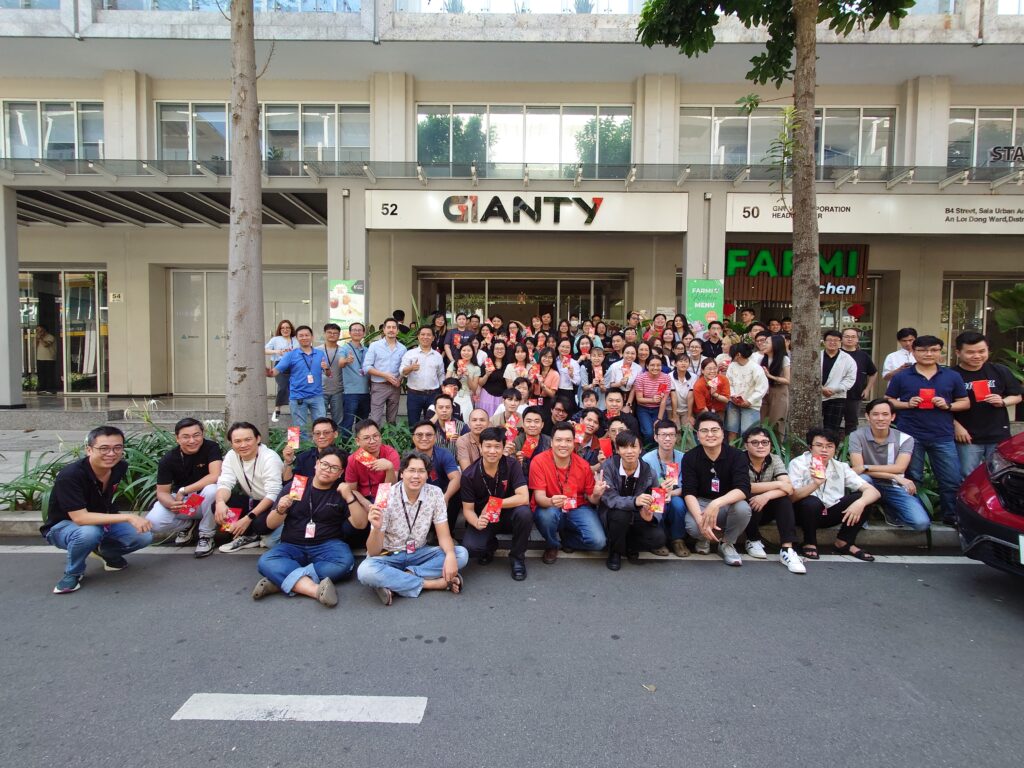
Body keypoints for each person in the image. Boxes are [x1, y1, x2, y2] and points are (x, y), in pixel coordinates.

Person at [42, 426, 153, 594]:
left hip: (100, 521)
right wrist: (128, 517)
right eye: (104, 448)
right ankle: (73, 573)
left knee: (144, 535)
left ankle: (105, 552)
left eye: (118, 448)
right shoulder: (70, 475)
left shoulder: (119, 467)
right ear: (88, 450)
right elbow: (80, 518)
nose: (111, 453)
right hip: (63, 526)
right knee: (88, 533)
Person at [357, 451, 469, 605]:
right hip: (388, 555)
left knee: (460, 554)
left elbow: (443, 535)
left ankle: (397, 581)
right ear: (402, 473)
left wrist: (450, 555)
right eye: (411, 470)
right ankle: (433, 584)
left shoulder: (435, 493)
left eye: (421, 471)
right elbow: (374, 551)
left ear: (427, 475)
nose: (416, 476)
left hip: (419, 553)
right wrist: (376, 528)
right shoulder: (385, 495)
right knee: (365, 571)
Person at [251, 448, 358, 608]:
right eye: (324, 464)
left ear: (340, 472)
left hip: (327, 545)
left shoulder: (340, 491)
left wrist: (349, 497)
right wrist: (280, 509)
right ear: (316, 464)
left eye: (334, 468)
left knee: (345, 563)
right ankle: (314, 590)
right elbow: (271, 524)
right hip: (292, 545)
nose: (327, 470)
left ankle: (280, 581)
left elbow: (360, 524)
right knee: (265, 561)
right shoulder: (297, 485)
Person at [885, 335, 969, 526]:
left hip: (943, 435)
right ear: (913, 352)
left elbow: (964, 403)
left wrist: (947, 405)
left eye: (934, 350)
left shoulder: (951, 376)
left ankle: (951, 515)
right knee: (913, 477)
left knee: (951, 478)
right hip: (910, 435)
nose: (928, 354)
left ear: (940, 352)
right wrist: (907, 403)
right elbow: (888, 400)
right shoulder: (902, 376)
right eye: (922, 350)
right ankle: (913, 515)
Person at [789, 427, 881, 561]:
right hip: (804, 514)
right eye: (819, 445)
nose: (824, 450)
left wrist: (860, 503)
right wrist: (815, 484)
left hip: (830, 513)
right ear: (810, 447)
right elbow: (792, 497)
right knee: (811, 502)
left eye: (829, 446)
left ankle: (844, 542)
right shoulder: (798, 463)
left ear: (835, 449)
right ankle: (809, 542)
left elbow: (874, 492)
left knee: (863, 498)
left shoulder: (841, 466)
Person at [530, 421, 609, 564]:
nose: (563, 445)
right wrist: (551, 501)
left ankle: (568, 540)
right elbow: (539, 497)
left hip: (578, 507)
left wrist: (597, 494)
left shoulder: (583, 465)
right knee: (547, 515)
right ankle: (552, 544)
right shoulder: (539, 461)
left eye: (568, 440)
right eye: (559, 440)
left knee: (599, 542)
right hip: (550, 507)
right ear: (551, 443)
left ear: (574, 442)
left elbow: (592, 500)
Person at [460, 427, 533, 580]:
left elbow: (524, 497)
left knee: (524, 513)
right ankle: (490, 546)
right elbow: (468, 510)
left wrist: (497, 504)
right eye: (488, 446)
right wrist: (477, 522)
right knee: (472, 547)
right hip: (484, 517)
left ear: (503, 448)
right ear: (480, 448)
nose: (492, 451)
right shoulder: (469, 475)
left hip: (508, 515)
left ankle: (517, 558)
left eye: (497, 446)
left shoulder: (512, 465)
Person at [144, 417, 223, 558]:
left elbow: (215, 475)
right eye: (186, 437)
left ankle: (206, 535)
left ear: (202, 434)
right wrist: (172, 504)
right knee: (153, 523)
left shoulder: (211, 447)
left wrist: (184, 490)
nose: (192, 441)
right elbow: (162, 492)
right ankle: (188, 524)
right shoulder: (168, 459)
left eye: (196, 435)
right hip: (185, 504)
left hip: (205, 501)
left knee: (213, 489)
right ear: (177, 438)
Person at [848, 399, 930, 531]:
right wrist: (895, 476)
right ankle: (863, 515)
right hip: (869, 484)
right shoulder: (856, 436)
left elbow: (900, 468)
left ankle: (890, 508)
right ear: (868, 417)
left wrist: (866, 467)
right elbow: (858, 469)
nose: (880, 418)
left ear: (893, 417)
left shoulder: (905, 439)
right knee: (863, 478)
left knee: (921, 524)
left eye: (885, 414)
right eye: (875, 414)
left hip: (893, 486)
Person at [681, 412, 751, 566]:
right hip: (701, 503)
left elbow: (743, 488)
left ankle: (727, 543)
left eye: (715, 430)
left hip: (726, 504)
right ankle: (703, 538)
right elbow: (689, 491)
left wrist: (716, 503)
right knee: (693, 526)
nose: (710, 435)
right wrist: (701, 522)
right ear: (698, 435)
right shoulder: (690, 457)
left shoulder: (737, 456)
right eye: (704, 431)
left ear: (722, 433)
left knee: (743, 508)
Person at [952, 331, 1023, 476]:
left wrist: (1002, 401)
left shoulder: (999, 371)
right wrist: (956, 427)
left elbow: (1017, 396)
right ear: (958, 352)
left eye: (982, 351)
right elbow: (943, 406)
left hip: (997, 434)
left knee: (999, 474)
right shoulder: (951, 375)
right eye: (970, 352)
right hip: (967, 436)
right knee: (968, 475)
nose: (977, 356)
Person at [741, 427, 805, 574]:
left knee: (783, 499)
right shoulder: (739, 459)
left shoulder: (775, 459)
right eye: (755, 442)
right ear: (746, 445)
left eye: (765, 442)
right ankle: (752, 539)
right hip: (747, 510)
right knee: (747, 497)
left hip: (766, 507)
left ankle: (787, 549)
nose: (761, 446)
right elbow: (743, 487)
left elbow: (788, 487)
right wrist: (777, 484)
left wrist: (766, 495)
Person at [600, 430, 667, 570]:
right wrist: (635, 501)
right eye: (624, 447)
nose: (629, 451)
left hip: (638, 516)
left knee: (659, 538)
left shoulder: (649, 471)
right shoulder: (609, 466)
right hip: (614, 514)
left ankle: (628, 545)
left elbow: (657, 501)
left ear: (640, 449)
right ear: (617, 450)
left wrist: (651, 516)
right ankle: (615, 552)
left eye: (634, 446)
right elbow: (609, 498)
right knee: (621, 515)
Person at [215, 422, 285, 553]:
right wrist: (220, 502)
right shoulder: (231, 455)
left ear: (258, 439)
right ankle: (246, 535)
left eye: (248, 439)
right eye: (237, 441)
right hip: (253, 501)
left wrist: (248, 518)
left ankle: (254, 531)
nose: (243, 445)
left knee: (259, 524)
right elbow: (225, 483)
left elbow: (273, 493)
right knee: (219, 506)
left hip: (273, 504)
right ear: (231, 443)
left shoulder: (270, 458)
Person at [267, 324, 329, 440]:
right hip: (297, 397)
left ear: (312, 337)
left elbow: (329, 374)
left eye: (307, 335)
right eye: (301, 336)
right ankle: (296, 453)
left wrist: (327, 369)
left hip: (317, 396)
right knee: (297, 429)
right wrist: (267, 372)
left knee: (322, 427)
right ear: (297, 338)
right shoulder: (291, 355)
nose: (304, 338)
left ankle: (320, 452)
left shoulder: (320, 353)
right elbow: (275, 371)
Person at [641, 419, 689, 557]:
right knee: (657, 503)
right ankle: (658, 539)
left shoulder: (684, 458)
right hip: (655, 496)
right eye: (663, 435)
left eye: (671, 435)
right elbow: (644, 487)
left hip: (676, 495)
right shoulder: (647, 460)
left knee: (678, 504)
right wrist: (660, 492)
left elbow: (687, 486)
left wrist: (672, 493)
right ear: (656, 437)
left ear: (676, 437)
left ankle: (677, 540)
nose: (667, 438)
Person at [342, 419, 399, 526]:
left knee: (382, 518)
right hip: (362, 498)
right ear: (357, 441)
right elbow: (352, 490)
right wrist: (365, 503)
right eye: (366, 438)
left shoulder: (390, 453)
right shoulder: (354, 459)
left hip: (385, 496)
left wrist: (389, 468)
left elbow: (391, 489)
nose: (372, 441)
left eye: (375, 436)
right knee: (349, 528)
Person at [408, 420, 462, 530]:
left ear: (435, 437)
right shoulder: (408, 458)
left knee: (457, 491)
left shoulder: (444, 453)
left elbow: (456, 477)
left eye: (429, 435)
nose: (424, 438)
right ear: (413, 438)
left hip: (442, 493)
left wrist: (445, 498)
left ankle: (448, 532)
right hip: (419, 495)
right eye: (419, 435)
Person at [365, 317, 407, 425]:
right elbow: (367, 367)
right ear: (384, 330)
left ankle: (390, 441)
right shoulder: (375, 346)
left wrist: (400, 379)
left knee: (392, 420)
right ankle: (374, 441)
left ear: (397, 331)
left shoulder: (402, 348)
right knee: (375, 419)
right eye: (388, 327)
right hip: (379, 386)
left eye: (394, 327)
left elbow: (404, 367)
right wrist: (384, 375)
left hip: (395, 386)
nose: (391, 330)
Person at [401, 325, 446, 424]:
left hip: (433, 395)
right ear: (418, 336)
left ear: (433, 338)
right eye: (423, 334)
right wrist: (411, 368)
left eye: (429, 335)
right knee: (413, 424)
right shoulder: (410, 354)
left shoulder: (437, 356)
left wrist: (444, 392)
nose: (425, 337)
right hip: (414, 395)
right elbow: (402, 372)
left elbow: (441, 375)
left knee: (432, 424)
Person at [281, 416, 346, 485]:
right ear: (313, 435)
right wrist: (288, 462)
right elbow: (288, 484)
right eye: (317, 433)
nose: (321, 436)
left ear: (335, 434)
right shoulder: (303, 458)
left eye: (326, 433)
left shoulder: (345, 458)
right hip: (306, 495)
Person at [725, 342, 768, 441]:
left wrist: (749, 401)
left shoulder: (756, 368)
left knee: (749, 434)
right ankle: (732, 452)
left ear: (738, 355)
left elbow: (762, 388)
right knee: (732, 431)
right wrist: (733, 396)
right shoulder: (732, 366)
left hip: (751, 405)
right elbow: (728, 383)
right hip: (734, 403)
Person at [840, 327, 877, 435]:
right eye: (847, 336)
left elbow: (873, 372)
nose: (850, 339)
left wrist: (868, 389)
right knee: (833, 423)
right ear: (841, 339)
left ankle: (849, 448)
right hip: (835, 395)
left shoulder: (863, 356)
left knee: (851, 423)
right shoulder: (836, 354)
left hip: (855, 394)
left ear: (857, 340)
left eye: (853, 337)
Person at [629, 353, 672, 443]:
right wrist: (652, 400)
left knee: (660, 430)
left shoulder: (665, 378)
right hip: (643, 409)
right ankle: (648, 451)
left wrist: (659, 419)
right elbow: (639, 399)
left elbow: (663, 400)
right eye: (652, 365)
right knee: (649, 433)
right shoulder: (641, 378)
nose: (655, 368)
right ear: (647, 366)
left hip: (658, 408)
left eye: (658, 365)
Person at [820, 329, 856, 433]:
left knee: (832, 428)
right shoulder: (817, 356)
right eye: (829, 340)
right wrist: (821, 389)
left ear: (840, 342)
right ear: (824, 342)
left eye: (836, 340)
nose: (832, 343)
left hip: (837, 396)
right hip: (817, 395)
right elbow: (809, 375)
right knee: (814, 426)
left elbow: (850, 379)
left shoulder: (848, 359)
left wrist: (834, 389)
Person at [338, 322, 369, 438]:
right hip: (351, 393)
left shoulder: (367, 350)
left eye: (360, 330)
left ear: (364, 333)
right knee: (348, 422)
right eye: (354, 330)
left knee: (363, 422)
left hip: (366, 392)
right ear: (350, 333)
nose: (357, 332)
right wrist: (346, 360)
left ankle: (361, 446)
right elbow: (340, 363)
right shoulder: (345, 349)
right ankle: (346, 447)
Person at [265, 319, 297, 423]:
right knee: (282, 386)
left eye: (287, 327)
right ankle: (277, 408)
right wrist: (278, 351)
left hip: (294, 365)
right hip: (280, 364)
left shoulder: (296, 339)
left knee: (294, 387)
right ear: (280, 329)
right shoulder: (276, 339)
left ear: (291, 329)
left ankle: (294, 409)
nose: (285, 330)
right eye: (283, 328)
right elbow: (264, 350)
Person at [759, 334, 791, 439]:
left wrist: (770, 376)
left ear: (775, 345)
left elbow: (787, 380)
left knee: (777, 422)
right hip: (764, 393)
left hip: (779, 393)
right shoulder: (762, 359)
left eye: (767, 342)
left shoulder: (784, 359)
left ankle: (777, 450)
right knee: (762, 421)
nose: (764, 344)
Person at [509, 406, 551, 475]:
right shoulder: (515, 442)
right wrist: (516, 461)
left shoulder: (550, 442)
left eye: (536, 421)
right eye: (528, 421)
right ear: (523, 424)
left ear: (542, 425)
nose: (532, 425)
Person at [319, 322, 345, 425]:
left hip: (338, 390)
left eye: (335, 333)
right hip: (320, 390)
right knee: (320, 419)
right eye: (329, 332)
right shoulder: (317, 350)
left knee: (338, 420)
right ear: (324, 334)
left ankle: (337, 440)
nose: (332, 335)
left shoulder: (343, 350)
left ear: (339, 335)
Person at [477, 340, 510, 416]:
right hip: (487, 397)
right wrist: (487, 375)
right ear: (492, 350)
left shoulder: (509, 364)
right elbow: (480, 383)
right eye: (497, 349)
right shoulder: (487, 363)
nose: (499, 351)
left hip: (503, 399)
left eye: (502, 349)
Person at [669, 353, 695, 430]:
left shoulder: (693, 377)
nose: (683, 363)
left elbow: (690, 397)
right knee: (676, 431)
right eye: (680, 361)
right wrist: (674, 415)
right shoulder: (669, 376)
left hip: (687, 409)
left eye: (686, 361)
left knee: (689, 430)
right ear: (675, 363)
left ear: (689, 364)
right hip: (672, 409)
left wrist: (689, 415)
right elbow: (673, 397)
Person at [35, 323, 58, 393]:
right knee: (41, 374)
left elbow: (46, 345)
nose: (38, 332)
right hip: (40, 358)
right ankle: (42, 388)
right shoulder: (38, 337)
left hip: (49, 358)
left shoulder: (50, 337)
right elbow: (35, 346)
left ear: (44, 330)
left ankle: (50, 389)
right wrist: (37, 339)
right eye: (37, 330)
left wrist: (40, 338)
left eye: (40, 330)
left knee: (49, 375)